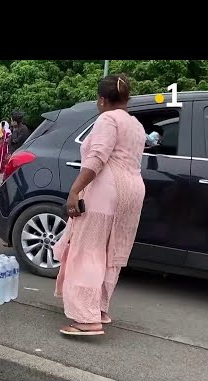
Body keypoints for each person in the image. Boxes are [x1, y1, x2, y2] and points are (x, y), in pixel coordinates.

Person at [53, 74, 146, 336]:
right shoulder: (136, 125)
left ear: (103, 100)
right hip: (133, 191)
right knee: (110, 251)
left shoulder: (107, 119)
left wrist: (75, 191)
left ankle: (85, 319)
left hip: (107, 190)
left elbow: (97, 158)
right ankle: (100, 310)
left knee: (88, 249)